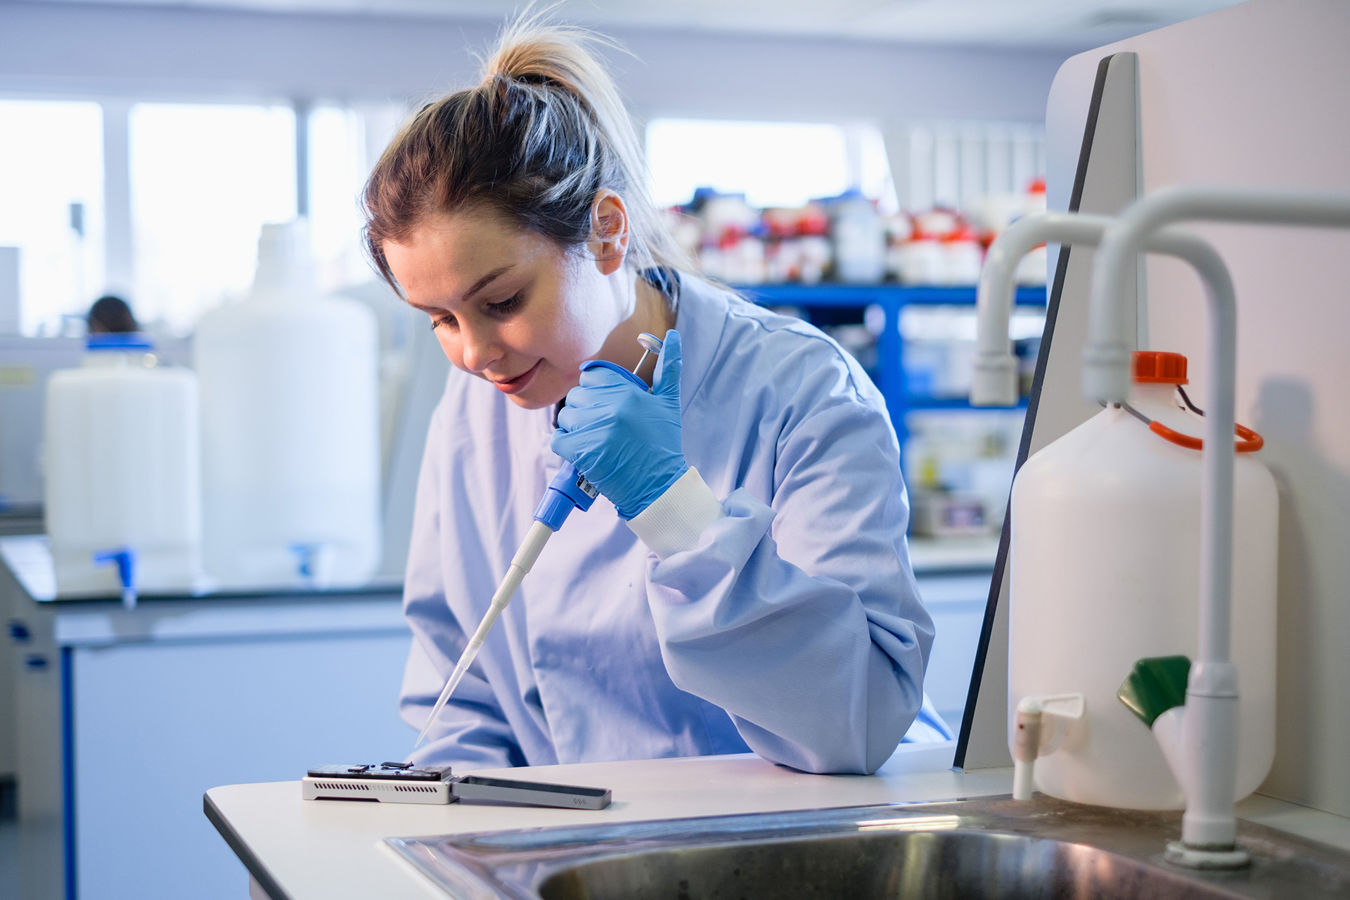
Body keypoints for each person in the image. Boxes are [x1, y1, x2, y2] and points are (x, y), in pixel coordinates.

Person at [362, 14, 951, 776]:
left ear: (606, 233)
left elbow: (859, 722)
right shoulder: (474, 408)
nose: (475, 352)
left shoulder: (802, 392)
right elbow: (463, 693)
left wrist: (676, 513)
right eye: (440, 318)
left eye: (502, 301)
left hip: (794, 844)